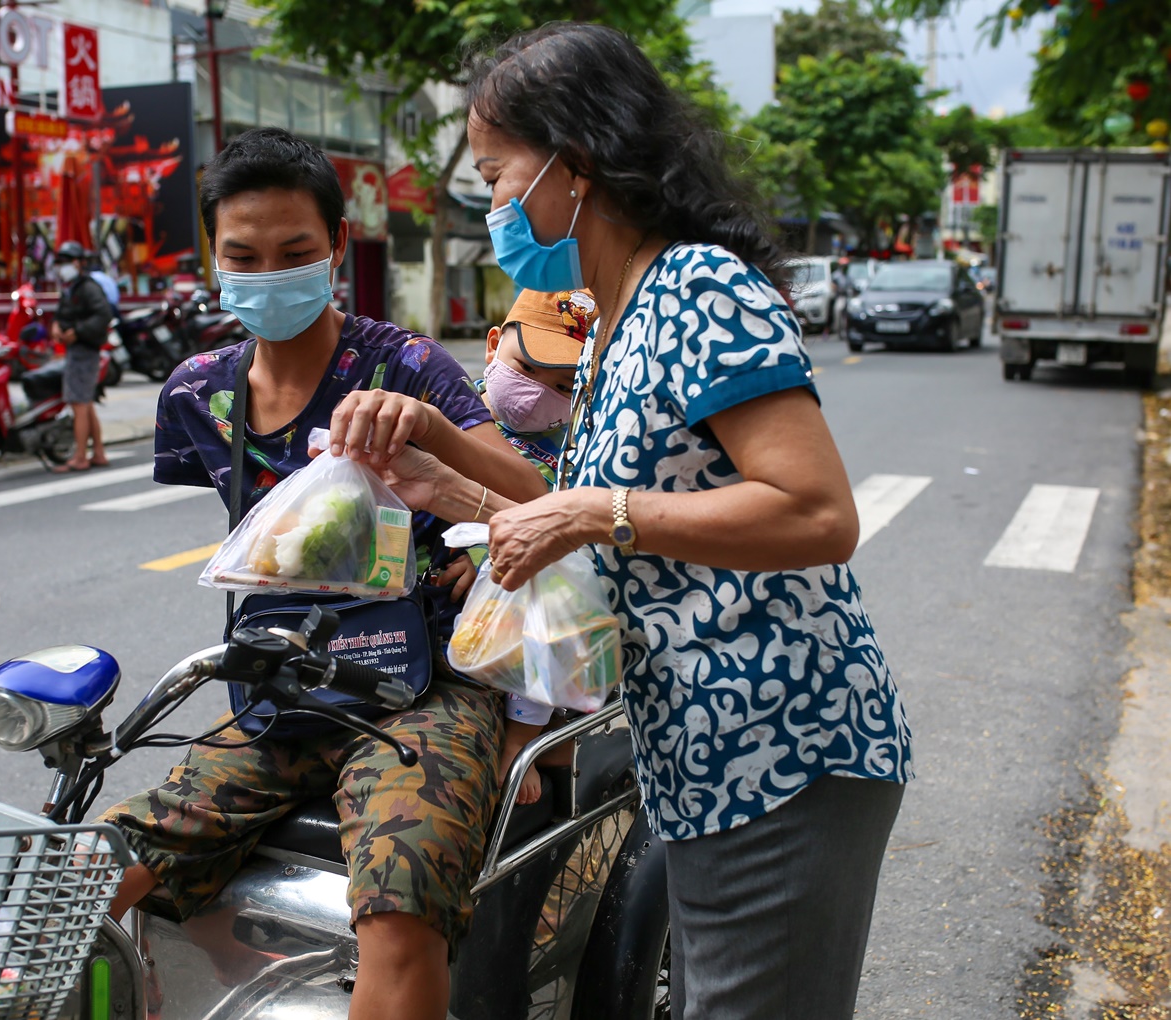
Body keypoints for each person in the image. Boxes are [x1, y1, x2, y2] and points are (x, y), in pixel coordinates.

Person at [378, 24, 913, 1019]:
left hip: (783, 742)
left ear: (572, 167)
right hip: (704, 753)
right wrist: (439, 484)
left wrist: (590, 506)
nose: (491, 202)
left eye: (498, 173)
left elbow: (817, 511)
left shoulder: (697, 286)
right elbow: (606, 540)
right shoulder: (609, 322)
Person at [99, 127, 546, 1020]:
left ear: (338, 248)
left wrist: (431, 431)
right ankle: (224, 975)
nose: (269, 273)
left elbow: (534, 496)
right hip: (277, 689)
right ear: (211, 257)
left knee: (402, 902)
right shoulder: (197, 393)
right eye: (244, 256)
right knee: (105, 867)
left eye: (295, 253)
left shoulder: (407, 365)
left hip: (420, 688)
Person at [475, 287, 597, 805]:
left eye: (563, 385)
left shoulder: (577, 448)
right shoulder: (449, 407)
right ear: (494, 344)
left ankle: (523, 737)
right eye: (525, 369)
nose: (538, 393)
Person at [50, 240, 113, 472]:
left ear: (78, 263)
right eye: (60, 262)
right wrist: (56, 325)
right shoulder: (70, 287)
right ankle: (97, 452)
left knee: (79, 404)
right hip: (76, 350)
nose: (62, 267)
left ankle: (80, 457)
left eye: (66, 262)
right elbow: (62, 314)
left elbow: (103, 315)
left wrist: (77, 332)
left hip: (85, 351)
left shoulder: (87, 287)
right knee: (85, 404)